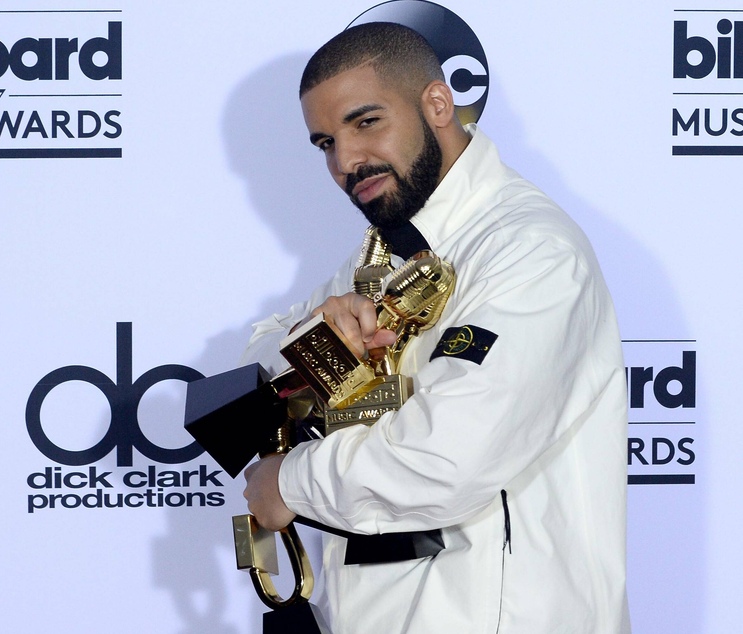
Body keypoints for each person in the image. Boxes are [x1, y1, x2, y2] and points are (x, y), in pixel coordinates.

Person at [240, 22, 630, 634]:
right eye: (324, 143)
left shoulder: (530, 251)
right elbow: (261, 355)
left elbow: (446, 459)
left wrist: (288, 483)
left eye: (366, 122)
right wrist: (317, 342)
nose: (346, 161)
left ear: (437, 104)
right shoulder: (382, 252)